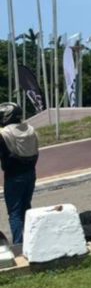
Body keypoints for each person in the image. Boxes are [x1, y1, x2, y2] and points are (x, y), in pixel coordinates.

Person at [0, 103, 39, 246]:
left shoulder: (4, 134)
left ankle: (18, 245)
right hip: (30, 173)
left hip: (14, 177)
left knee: (15, 213)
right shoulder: (30, 129)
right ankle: (32, 240)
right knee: (26, 208)